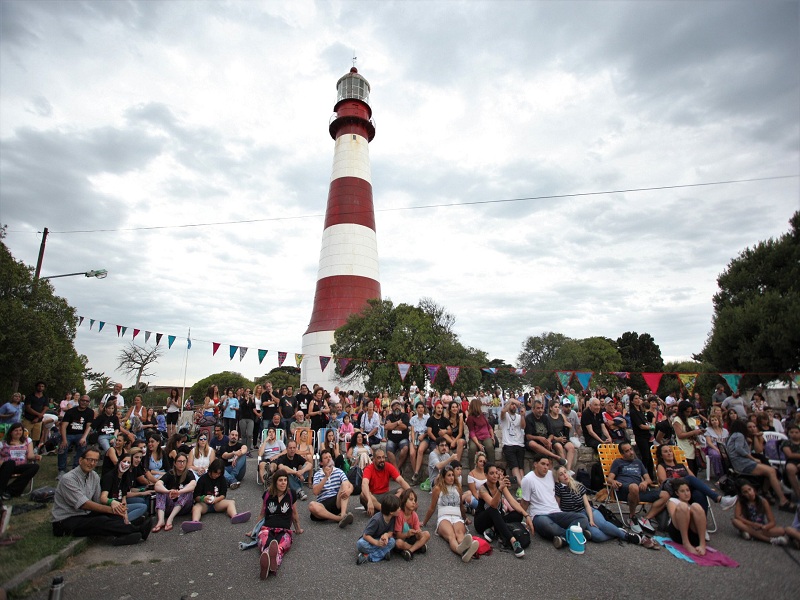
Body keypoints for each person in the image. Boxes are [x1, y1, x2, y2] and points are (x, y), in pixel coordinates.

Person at [51, 446, 153, 545]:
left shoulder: (94, 476)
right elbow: (84, 504)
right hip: (66, 520)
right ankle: (138, 529)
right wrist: (110, 509)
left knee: (113, 514)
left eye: (95, 461)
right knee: (100, 520)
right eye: (89, 460)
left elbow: (98, 500)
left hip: (84, 514)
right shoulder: (68, 479)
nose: (92, 463)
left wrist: (114, 507)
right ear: (80, 460)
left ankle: (121, 536)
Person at [554, 466, 658, 549]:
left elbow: (587, 505)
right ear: (558, 478)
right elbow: (558, 506)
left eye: (565, 472)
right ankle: (616, 532)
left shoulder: (578, 486)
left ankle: (629, 537)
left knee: (602, 524)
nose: (565, 475)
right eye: (561, 474)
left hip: (588, 511)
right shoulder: (559, 488)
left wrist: (591, 520)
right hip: (577, 516)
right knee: (597, 536)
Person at [519, 454, 590, 550]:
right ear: (535, 464)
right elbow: (525, 502)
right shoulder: (528, 479)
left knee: (582, 518)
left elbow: (564, 480)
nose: (545, 467)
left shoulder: (551, 474)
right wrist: (521, 520)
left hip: (556, 512)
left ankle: (565, 538)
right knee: (546, 524)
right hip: (539, 515)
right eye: (543, 464)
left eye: (547, 465)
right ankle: (576, 535)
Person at [726, 420, 794, 512]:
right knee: (772, 471)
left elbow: (744, 450)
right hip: (743, 464)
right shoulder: (739, 435)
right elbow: (739, 449)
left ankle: (765, 492)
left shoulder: (732, 436)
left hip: (738, 463)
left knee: (770, 470)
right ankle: (783, 500)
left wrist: (750, 442)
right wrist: (753, 459)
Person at [606, 441, 669, 535]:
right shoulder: (618, 462)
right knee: (634, 486)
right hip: (624, 490)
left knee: (665, 494)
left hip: (640, 491)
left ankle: (645, 519)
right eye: (627, 451)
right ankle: (632, 517)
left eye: (631, 449)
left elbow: (648, 479)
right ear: (622, 454)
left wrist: (645, 482)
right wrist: (613, 482)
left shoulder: (638, 462)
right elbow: (609, 478)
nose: (631, 452)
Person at [655, 444, 737, 513]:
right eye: (665, 452)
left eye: (670, 451)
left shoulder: (681, 465)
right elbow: (663, 481)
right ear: (661, 456)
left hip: (687, 489)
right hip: (674, 490)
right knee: (689, 478)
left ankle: (702, 524)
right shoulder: (661, 466)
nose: (669, 453)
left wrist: (703, 488)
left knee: (699, 494)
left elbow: (694, 479)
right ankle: (719, 499)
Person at [421, 465, 479, 562]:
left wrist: (465, 519)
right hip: (444, 517)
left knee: (460, 534)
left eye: (452, 475)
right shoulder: (438, 489)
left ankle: (467, 550)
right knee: (451, 536)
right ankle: (461, 551)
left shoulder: (458, 488)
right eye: (449, 475)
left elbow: (461, 506)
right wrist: (424, 522)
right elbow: (432, 508)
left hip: (457, 517)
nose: (452, 477)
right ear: (443, 477)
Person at [475, 464, 530, 557]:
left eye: (496, 473)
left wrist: (526, 515)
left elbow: (512, 501)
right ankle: (513, 541)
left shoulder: (500, 485)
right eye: (491, 473)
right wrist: (500, 489)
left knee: (518, 514)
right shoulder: (482, 488)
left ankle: (493, 530)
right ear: (486, 475)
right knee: (493, 510)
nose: (495, 476)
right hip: (482, 522)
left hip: (496, 518)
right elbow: (493, 504)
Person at [181, 459, 251, 532]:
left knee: (231, 502)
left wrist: (216, 499)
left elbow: (223, 495)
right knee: (196, 508)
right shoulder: (203, 479)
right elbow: (196, 496)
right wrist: (203, 498)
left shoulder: (222, 479)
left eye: (219, 473)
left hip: (216, 503)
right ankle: (195, 522)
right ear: (211, 470)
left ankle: (234, 515)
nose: (216, 475)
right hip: (204, 504)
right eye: (215, 473)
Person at [257, 469, 303, 579]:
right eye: (280, 480)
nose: (283, 483)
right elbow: (262, 513)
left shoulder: (291, 494)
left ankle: (269, 563)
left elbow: (294, 513)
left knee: (280, 547)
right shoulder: (267, 494)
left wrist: (298, 528)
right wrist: (253, 530)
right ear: (275, 482)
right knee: (265, 543)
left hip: (284, 530)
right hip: (267, 528)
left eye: (285, 480)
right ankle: (271, 564)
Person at [731, 478, 789, 545]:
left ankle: (751, 534)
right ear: (742, 494)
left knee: (781, 531)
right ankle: (770, 540)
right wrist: (752, 524)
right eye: (745, 492)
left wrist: (765, 527)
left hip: (760, 527)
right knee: (735, 521)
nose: (749, 493)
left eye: (750, 489)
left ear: (753, 489)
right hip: (748, 525)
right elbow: (737, 516)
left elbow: (772, 522)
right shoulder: (741, 502)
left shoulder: (763, 501)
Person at [100, 451, 150, 524]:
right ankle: (121, 523)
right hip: (110, 507)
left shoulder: (125, 477)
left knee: (143, 507)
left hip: (121, 506)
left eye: (128, 462)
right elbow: (103, 498)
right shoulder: (109, 477)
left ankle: (125, 521)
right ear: (119, 462)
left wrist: (126, 516)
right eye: (124, 461)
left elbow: (124, 499)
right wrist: (112, 502)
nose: (126, 464)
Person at [309, 449, 354, 527]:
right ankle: (339, 519)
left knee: (345, 484)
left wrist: (349, 490)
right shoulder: (317, 474)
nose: (329, 459)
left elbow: (349, 484)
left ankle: (343, 514)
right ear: (321, 462)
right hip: (323, 503)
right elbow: (315, 492)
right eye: (326, 458)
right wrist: (326, 477)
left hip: (337, 501)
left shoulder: (339, 471)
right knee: (312, 505)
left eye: (330, 457)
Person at [152, 452, 196, 532]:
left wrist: (179, 492)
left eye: (184, 461)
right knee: (160, 491)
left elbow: (193, 484)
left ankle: (170, 519)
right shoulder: (170, 473)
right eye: (179, 461)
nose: (182, 464)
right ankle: (161, 520)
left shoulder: (189, 473)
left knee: (188, 491)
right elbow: (157, 485)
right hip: (169, 505)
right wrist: (168, 491)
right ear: (175, 463)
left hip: (183, 507)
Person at [666, 478, 709, 555]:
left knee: (696, 506)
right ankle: (686, 543)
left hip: (693, 534)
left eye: (687, 490)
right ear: (677, 493)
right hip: (678, 532)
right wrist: (686, 512)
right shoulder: (672, 501)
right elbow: (673, 517)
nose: (686, 493)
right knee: (683, 506)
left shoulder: (692, 505)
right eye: (682, 491)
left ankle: (702, 544)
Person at [361, 448, 410, 514]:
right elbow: (364, 483)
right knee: (363, 494)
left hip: (387, 496)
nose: (382, 460)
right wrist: (369, 500)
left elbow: (401, 480)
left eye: (383, 457)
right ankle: (386, 511)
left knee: (404, 490)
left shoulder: (388, 466)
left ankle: (388, 508)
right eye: (379, 458)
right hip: (374, 497)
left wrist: (412, 496)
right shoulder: (368, 469)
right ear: (374, 459)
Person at [355, 494, 400, 564]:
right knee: (360, 544)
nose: (400, 509)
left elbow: (391, 532)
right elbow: (366, 535)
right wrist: (376, 543)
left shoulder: (393, 518)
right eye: (398, 508)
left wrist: (386, 535)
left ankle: (367, 557)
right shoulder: (377, 520)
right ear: (391, 512)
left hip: (381, 540)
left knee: (392, 541)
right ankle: (383, 553)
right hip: (370, 541)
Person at [0, 422, 41, 500]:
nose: (18, 432)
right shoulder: (3, 443)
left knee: (35, 466)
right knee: (11, 462)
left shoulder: (27, 441)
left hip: (20, 466)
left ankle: (10, 490)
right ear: (11, 432)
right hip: (7, 467)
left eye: (20, 430)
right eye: (16, 430)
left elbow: (30, 456)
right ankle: (1, 490)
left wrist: (36, 456)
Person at [57, 394, 94, 479]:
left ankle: (76, 468)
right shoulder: (71, 411)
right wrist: (64, 440)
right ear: (79, 401)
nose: (84, 402)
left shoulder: (90, 412)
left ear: (89, 403)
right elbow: (63, 426)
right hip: (69, 434)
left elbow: (88, 427)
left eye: (87, 401)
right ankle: (61, 470)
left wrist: (84, 437)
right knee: (62, 447)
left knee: (83, 446)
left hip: (81, 434)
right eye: (83, 400)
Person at [393, 488, 431, 560]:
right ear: (404, 501)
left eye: (414, 500)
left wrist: (419, 533)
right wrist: (407, 534)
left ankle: (410, 551)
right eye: (411, 500)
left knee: (427, 534)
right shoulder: (400, 515)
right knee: (398, 543)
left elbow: (418, 535)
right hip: (403, 538)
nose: (414, 502)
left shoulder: (414, 515)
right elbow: (398, 536)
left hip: (411, 538)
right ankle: (418, 547)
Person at [500, 397, 526, 487]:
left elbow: (523, 426)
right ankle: (522, 486)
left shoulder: (519, 416)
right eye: (512, 404)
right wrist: (512, 401)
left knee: (521, 467)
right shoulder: (505, 416)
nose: (514, 406)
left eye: (515, 405)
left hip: (519, 444)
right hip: (508, 444)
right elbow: (503, 411)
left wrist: (522, 415)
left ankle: (523, 486)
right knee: (514, 466)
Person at [672, 400, 704, 474]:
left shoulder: (692, 419)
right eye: (687, 412)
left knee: (695, 471)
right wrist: (693, 432)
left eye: (690, 411)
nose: (688, 413)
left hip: (694, 448)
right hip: (684, 449)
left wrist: (699, 432)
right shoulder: (677, 420)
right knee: (689, 471)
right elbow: (680, 435)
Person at [629, 392, 655, 479]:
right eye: (635, 398)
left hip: (647, 436)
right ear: (632, 401)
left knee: (650, 457)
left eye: (638, 398)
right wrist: (651, 427)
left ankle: (651, 477)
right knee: (645, 457)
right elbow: (640, 426)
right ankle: (642, 475)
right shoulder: (633, 412)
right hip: (640, 436)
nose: (638, 400)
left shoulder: (640, 411)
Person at [546, 399, 576, 471]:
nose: (557, 409)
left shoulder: (561, 416)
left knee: (571, 447)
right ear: (551, 408)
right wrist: (557, 439)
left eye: (558, 407)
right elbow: (547, 432)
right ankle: (564, 468)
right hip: (554, 438)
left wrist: (569, 426)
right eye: (555, 407)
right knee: (559, 447)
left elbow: (567, 424)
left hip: (562, 436)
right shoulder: (547, 417)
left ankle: (568, 469)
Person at [466, 398, 495, 469]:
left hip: (486, 436)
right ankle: (472, 469)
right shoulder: (470, 418)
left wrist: (492, 436)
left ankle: (491, 467)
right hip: (475, 438)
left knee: (490, 447)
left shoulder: (482, 416)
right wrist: (478, 444)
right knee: (472, 448)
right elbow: (472, 432)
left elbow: (489, 426)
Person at [385, 399, 410, 470]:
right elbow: (386, 427)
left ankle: (397, 469)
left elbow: (404, 427)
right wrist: (397, 423)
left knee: (405, 448)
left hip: (403, 438)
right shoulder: (388, 417)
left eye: (398, 405)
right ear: (392, 408)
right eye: (395, 406)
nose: (397, 407)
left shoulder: (405, 416)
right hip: (392, 439)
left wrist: (392, 425)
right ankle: (396, 470)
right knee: (389, 451)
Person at [409, 402, 430, 484]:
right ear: (416, 409)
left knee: (420, 450)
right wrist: (413, 442)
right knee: (412, 453)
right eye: (419, 407)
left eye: (422, 407)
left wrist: (423, 435)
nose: (421, 409)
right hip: (415, 437)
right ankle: (416, 474)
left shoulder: (427, 418)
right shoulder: (413, 419)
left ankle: (416, 473)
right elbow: (412, 431)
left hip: (424, 437)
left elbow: (429, 431)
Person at [704, 414, 728, 479]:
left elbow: (727, 442)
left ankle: (728, 472)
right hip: (713, 447)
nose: (714, 421)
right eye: (712, 420)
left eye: (715, 420)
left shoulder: (725, 431)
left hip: (723, 447)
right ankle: (719, 474)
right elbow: (709, 442)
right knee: (716, 455)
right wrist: (718, 450)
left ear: (719, 421)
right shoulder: (708, 430)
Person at [780, 423, 800, 501]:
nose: (794, 434)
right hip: (792, 461)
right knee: (790, 468)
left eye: (796, 432)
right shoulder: (786, 442)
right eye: (791, 432)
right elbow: (789, 455)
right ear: (788, 433)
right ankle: (798, 493)